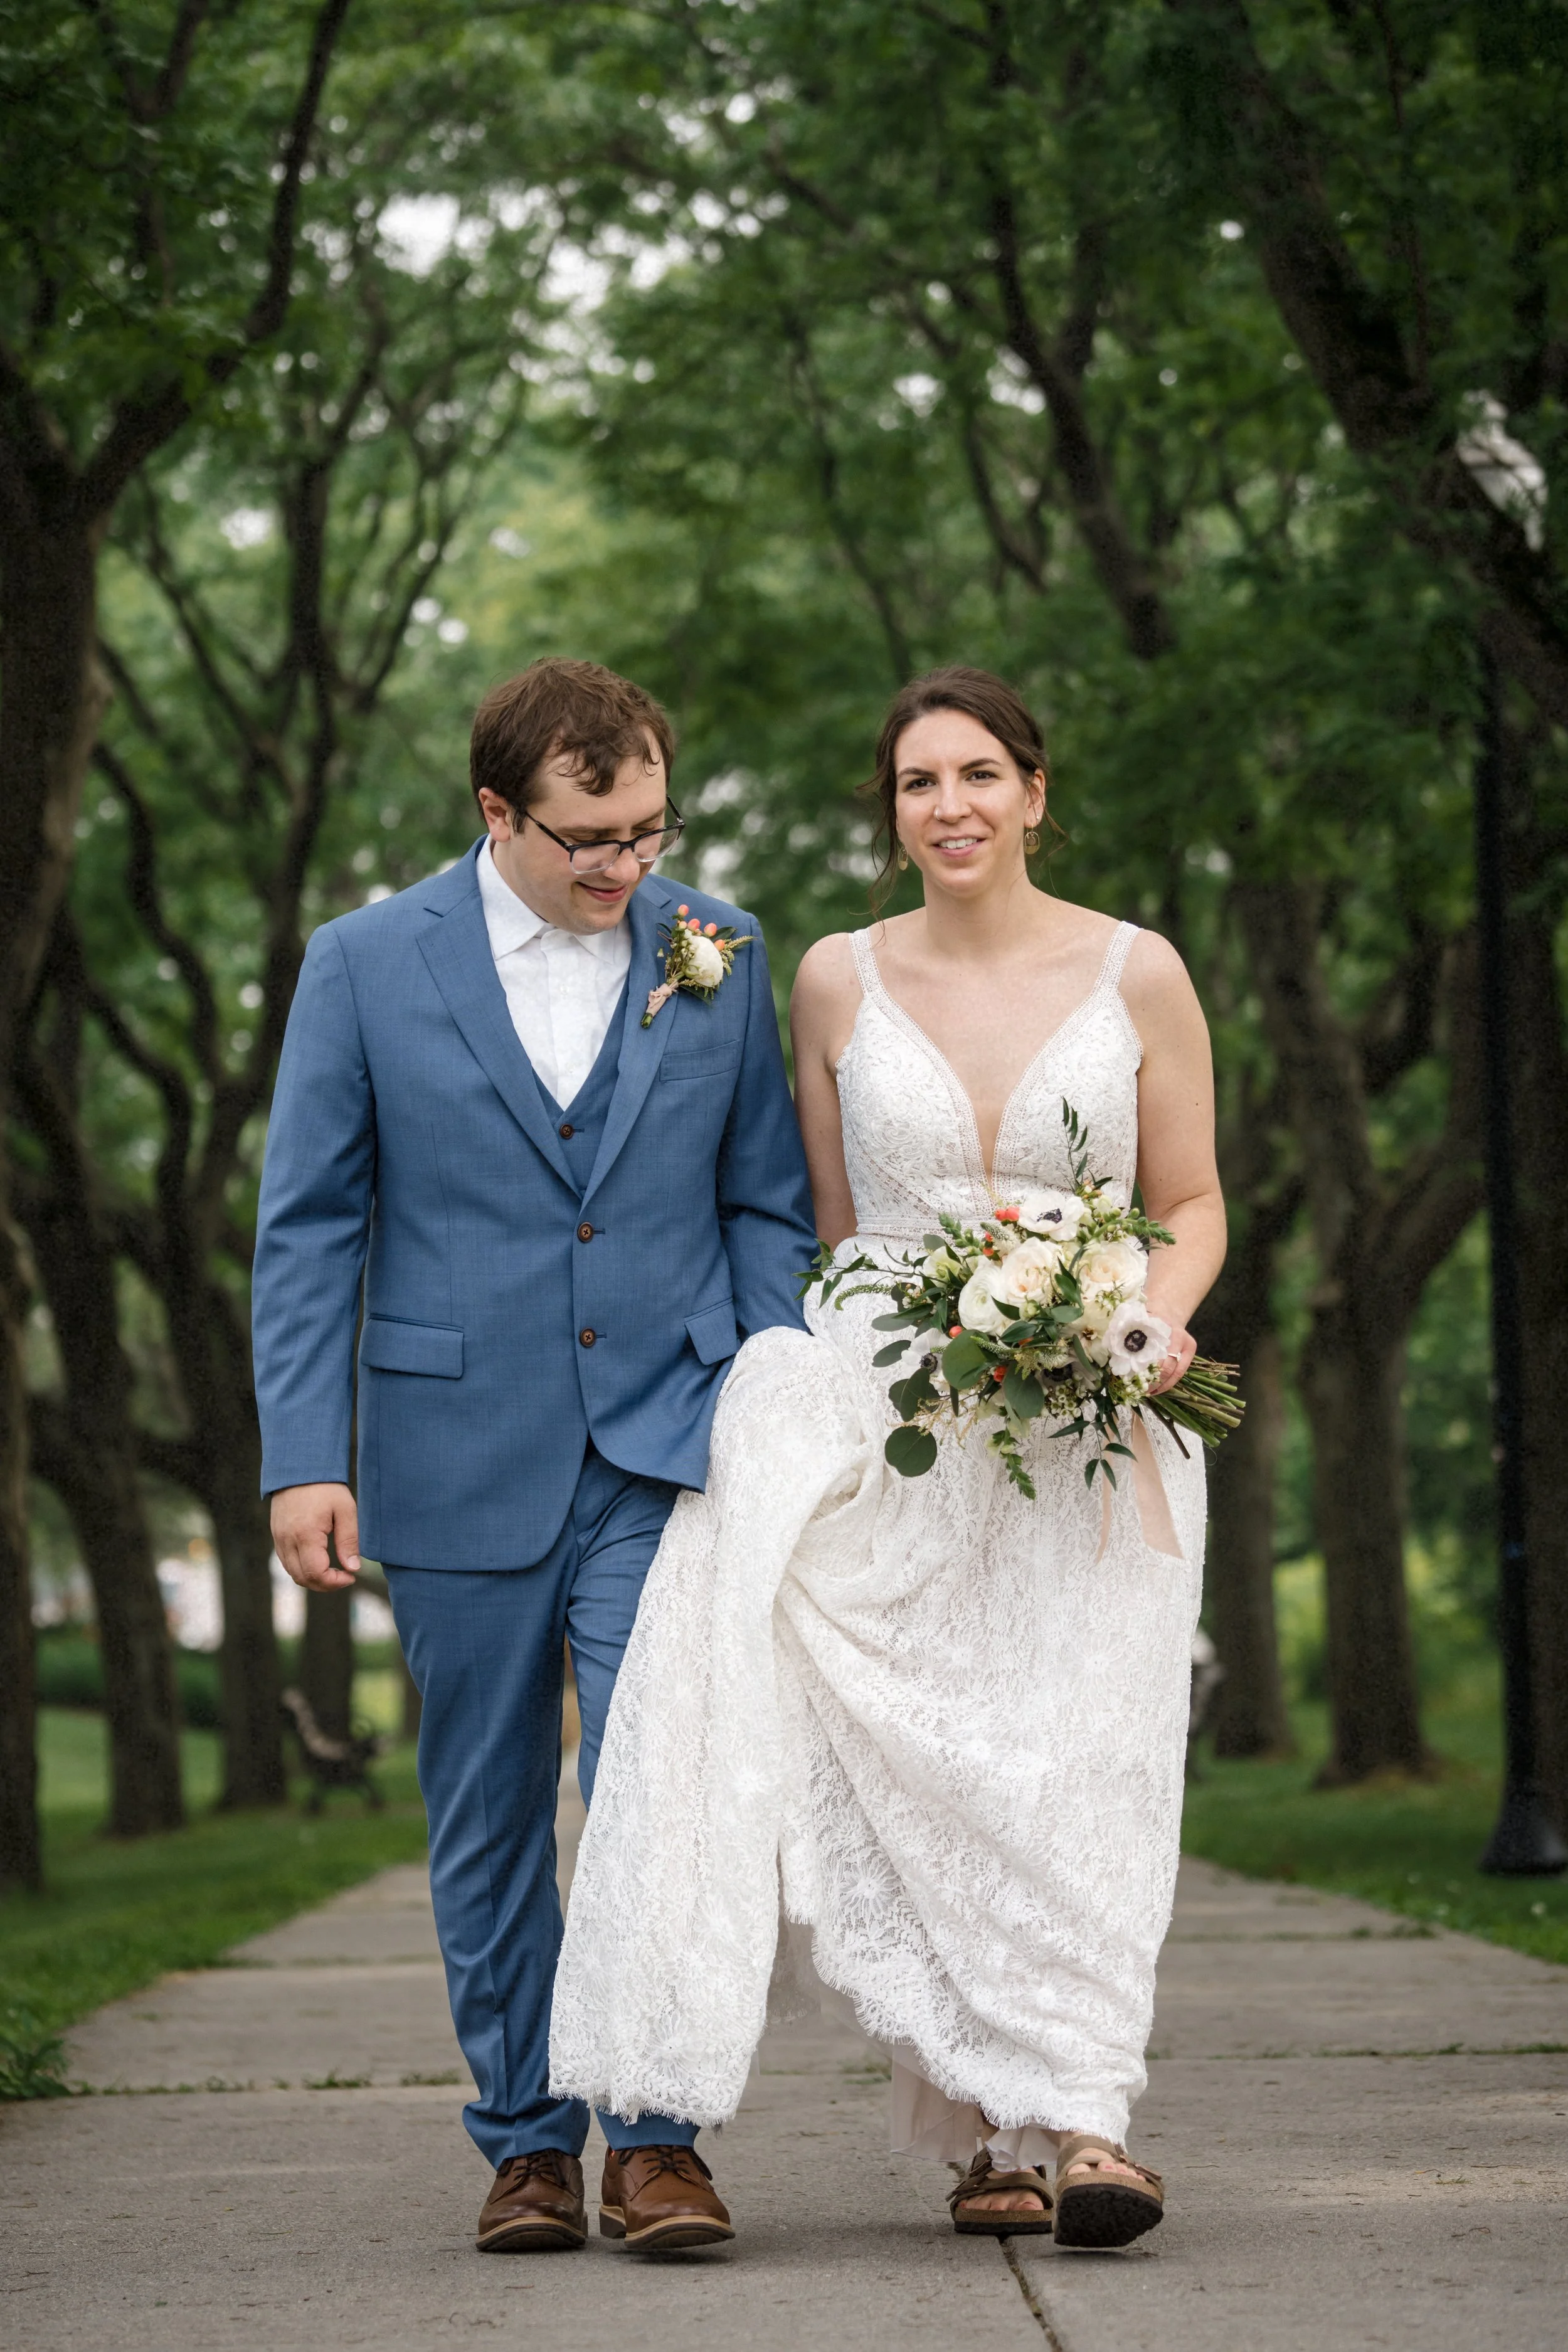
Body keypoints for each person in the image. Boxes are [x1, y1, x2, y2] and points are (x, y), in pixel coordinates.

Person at [549, 665, 1226, 2250]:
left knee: (1079, 1768)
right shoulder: (835, 981)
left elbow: (1188, 1203)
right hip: (899, 1418)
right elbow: (831, 1232)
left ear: (1034, 792)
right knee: (927, 1762)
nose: (952, 806)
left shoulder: (1140, 975)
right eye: (920, 783)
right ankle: (980, 2126)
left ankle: (1087, 2124)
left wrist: (1144, 1321)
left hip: (1086, 1420)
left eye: (980, 774)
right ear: (892, 809)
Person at [252, 658, 817, 2255]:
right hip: (448, 1444)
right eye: (590, 837)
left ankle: (654, 2138)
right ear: (498, 812)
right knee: (485, 1806)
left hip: (666, 1445)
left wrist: (762, 1389)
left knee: (653, 1788)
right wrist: (306, 1454)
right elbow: (309, 1228)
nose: (628, 866)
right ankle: (523, 2145)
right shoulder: (362, 964)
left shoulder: (722, 949)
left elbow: (763, 1197)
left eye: (649, 828)